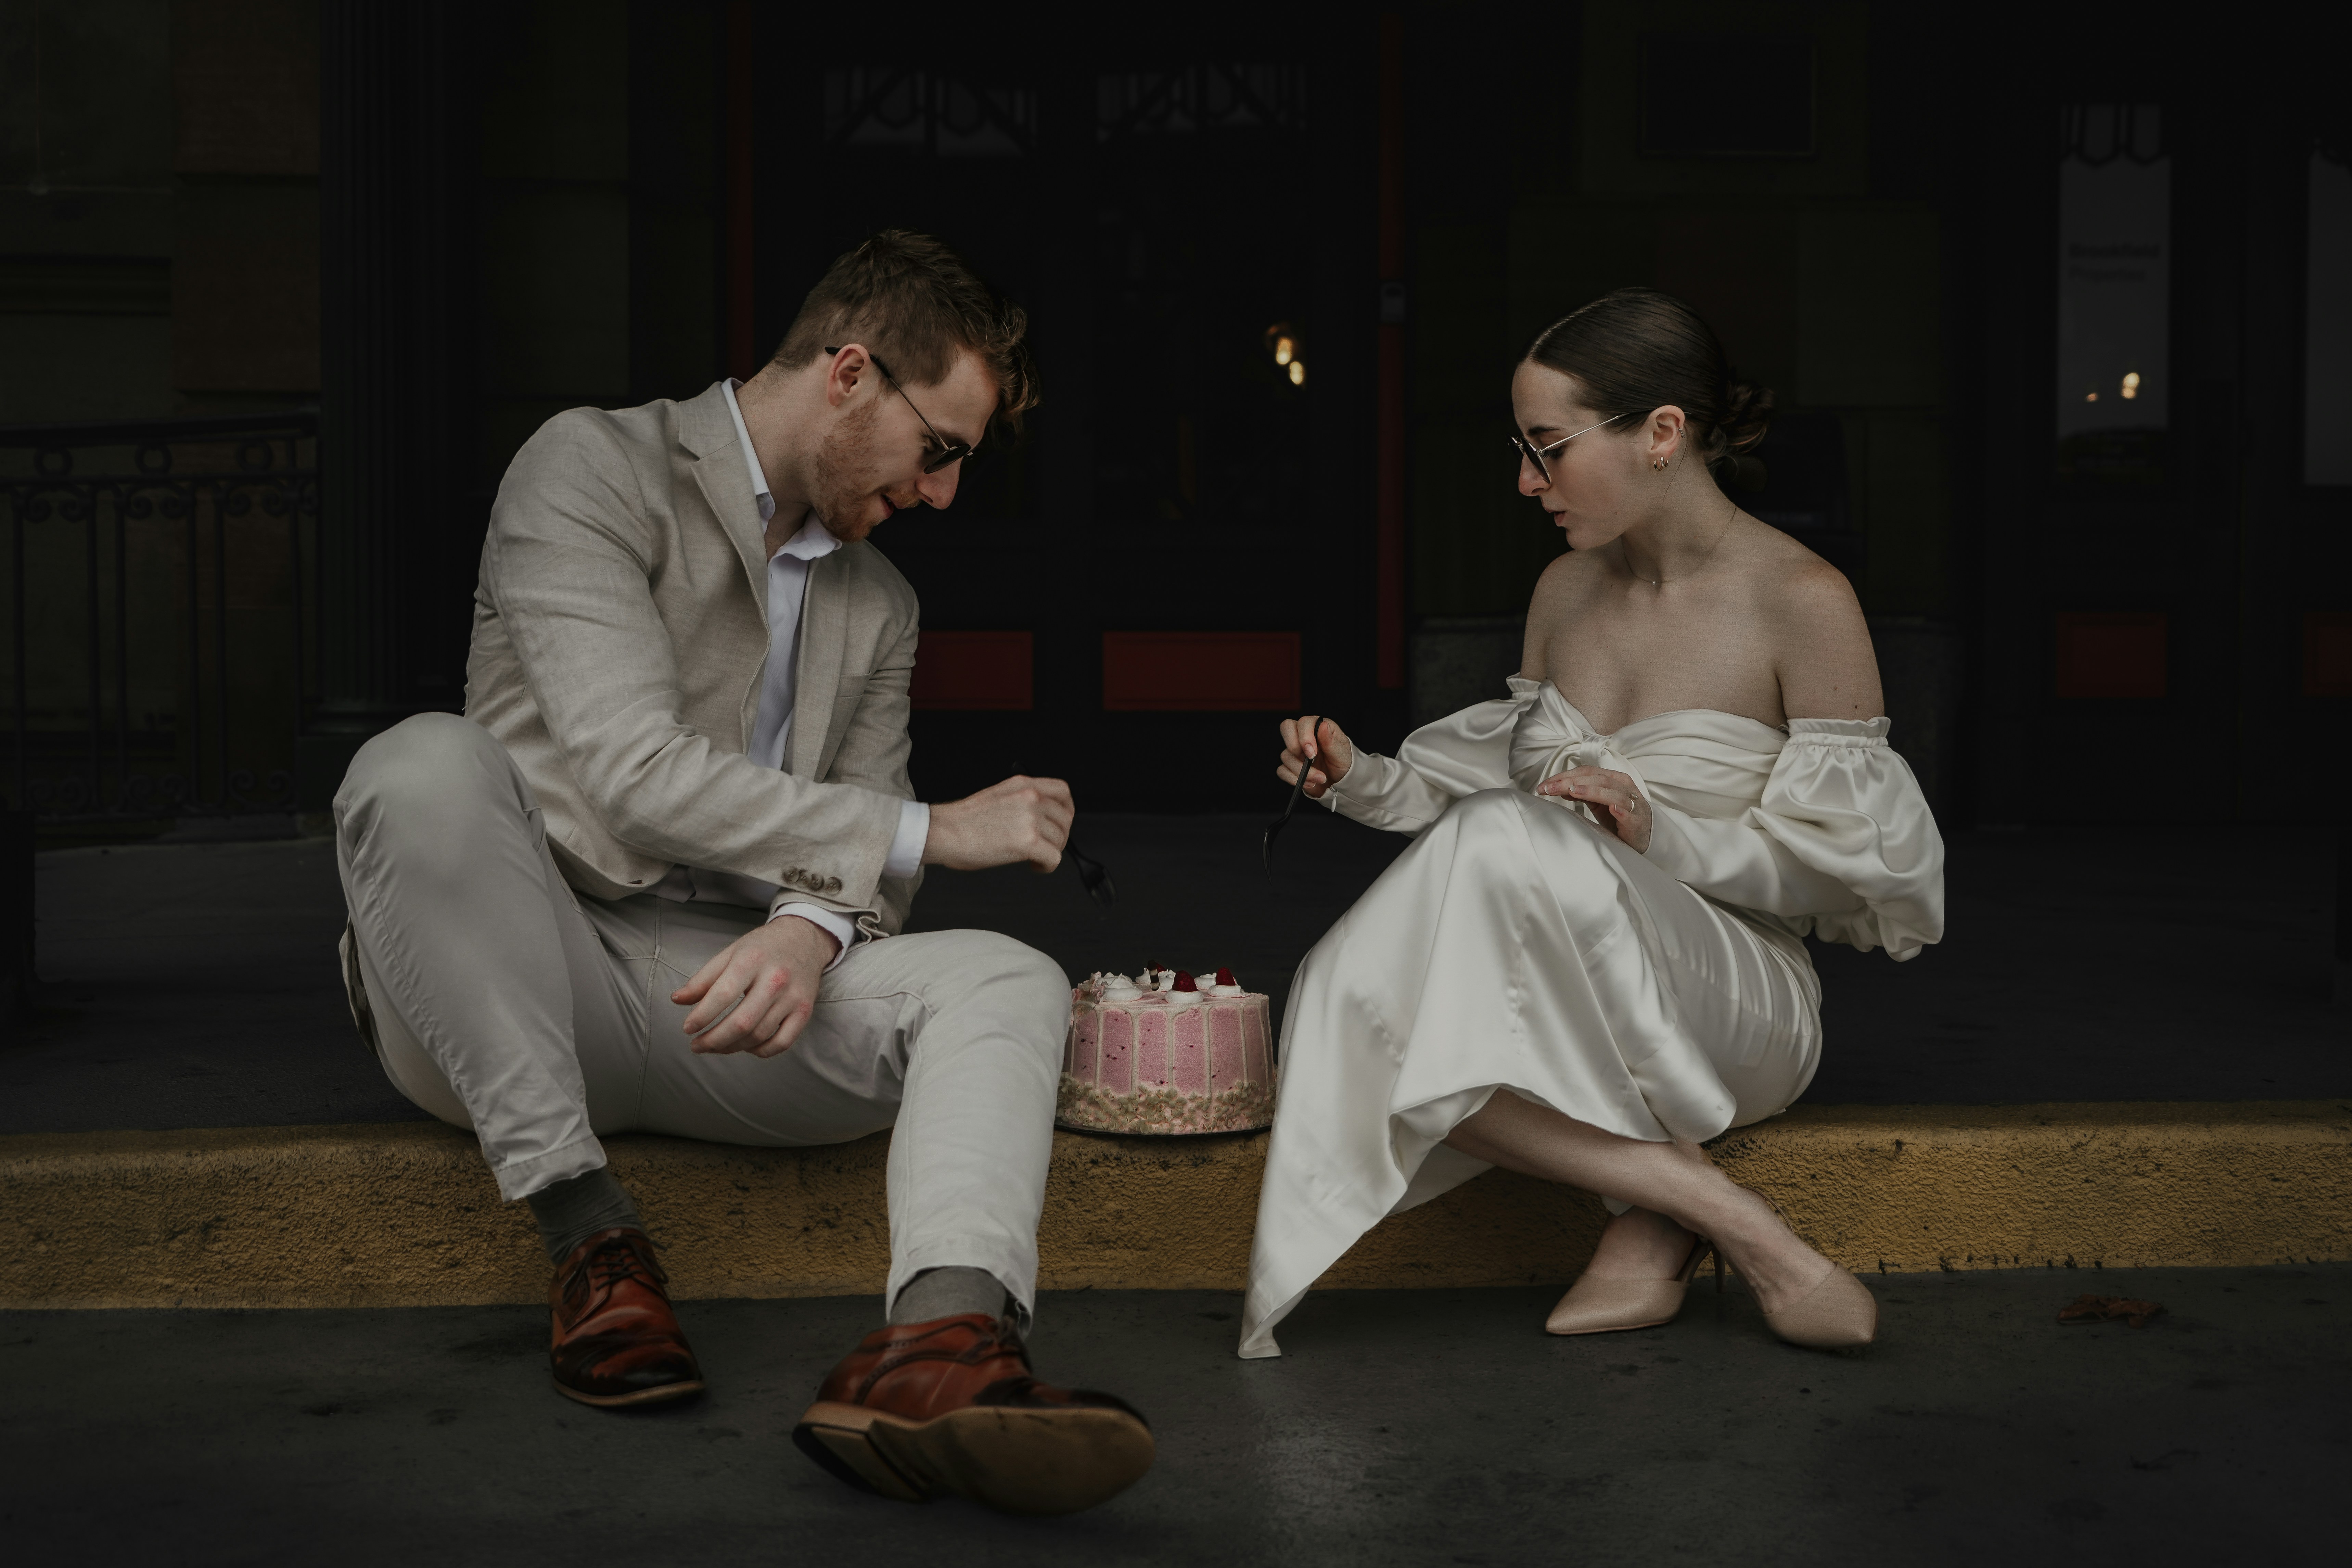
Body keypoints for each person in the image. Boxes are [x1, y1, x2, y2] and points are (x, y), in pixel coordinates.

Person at [331, 231, 1153, 1516]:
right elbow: (628, 770)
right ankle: (589, 1236)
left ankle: (938, 1350)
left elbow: (855, 844)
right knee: (420, 767)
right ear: (848, 375)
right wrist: (938, 830)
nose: (945, 496)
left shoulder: (883, 605)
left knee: (1008, 974)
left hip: (728, 1006)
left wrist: (812, 933)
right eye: (941, 449)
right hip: (516, 988)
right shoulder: (589, 467)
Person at [1244, 287, 1944, 1360]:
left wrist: (1659, 833)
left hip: (1738, 998)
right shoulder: (1564, 592)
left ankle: (1670, 1208)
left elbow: (1850, 883)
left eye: (1550, 448)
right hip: (1570, 965)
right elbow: (1499, 803)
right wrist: (1359, 778)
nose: (1527, 481)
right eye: (1520, 448)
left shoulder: (1803, 598)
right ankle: (1701, 1205)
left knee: (1475, 874)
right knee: (1360, 1012)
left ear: (1663, 433)